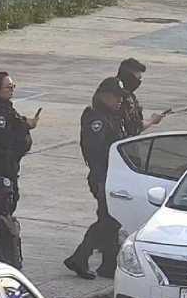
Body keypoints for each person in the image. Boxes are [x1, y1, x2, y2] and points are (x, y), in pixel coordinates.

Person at [64, 77, 127, 280]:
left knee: (112, 220)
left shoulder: (112, 117)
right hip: (103, 177)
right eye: (116, 97)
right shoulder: (97, 120)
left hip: (113, 176)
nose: (119, 101)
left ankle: (108, 265)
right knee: (107, 219)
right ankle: (80, 256)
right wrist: (102, 181)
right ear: (103, 96)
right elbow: (96, 153)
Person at [0, 72, 37, 212]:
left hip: (9, 162)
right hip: (0, 162)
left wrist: (27, 124)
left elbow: (15, 120)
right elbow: (4, 138)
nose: (12, 90)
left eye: (13, 86)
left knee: (9, 197)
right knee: (2, 198)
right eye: (8, 87)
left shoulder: (4, 107)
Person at [117, 58, 165, 136]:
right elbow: (133, 128)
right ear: (129, 77)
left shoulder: (130, 95)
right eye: (137, 78)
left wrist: (152, 119)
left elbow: (135, 122)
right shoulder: (119, 96)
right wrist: (152, 121)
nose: (138, 82)